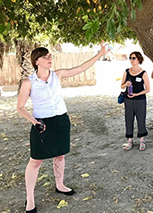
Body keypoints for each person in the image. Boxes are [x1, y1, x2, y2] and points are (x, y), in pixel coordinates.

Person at [17, 41, 110, 213]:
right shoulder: (28, 82)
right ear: (36, 61)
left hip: (61, 120)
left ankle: (60, 185)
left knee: (60, 156)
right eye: (45, 57)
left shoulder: (57, 75)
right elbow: (20, 107)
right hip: (41, 123)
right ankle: (30, 198)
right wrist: (34, 122)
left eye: (50, 56)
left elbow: (81, 68)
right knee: (36, 161)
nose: (49, 58)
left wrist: (100, 54)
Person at [121, 51, 150, 151]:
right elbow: (121, 85)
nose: (131, 60)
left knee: (141, 119)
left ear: (139, 59)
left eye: (133, 58)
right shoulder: (127, 71)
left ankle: (142, 140)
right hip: (128, 100)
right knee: (128, 119)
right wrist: (126, 84)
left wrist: (137, 94)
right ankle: (130, 140)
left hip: (140, 100)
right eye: (130, 58)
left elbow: (148, 89)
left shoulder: (143, 73)